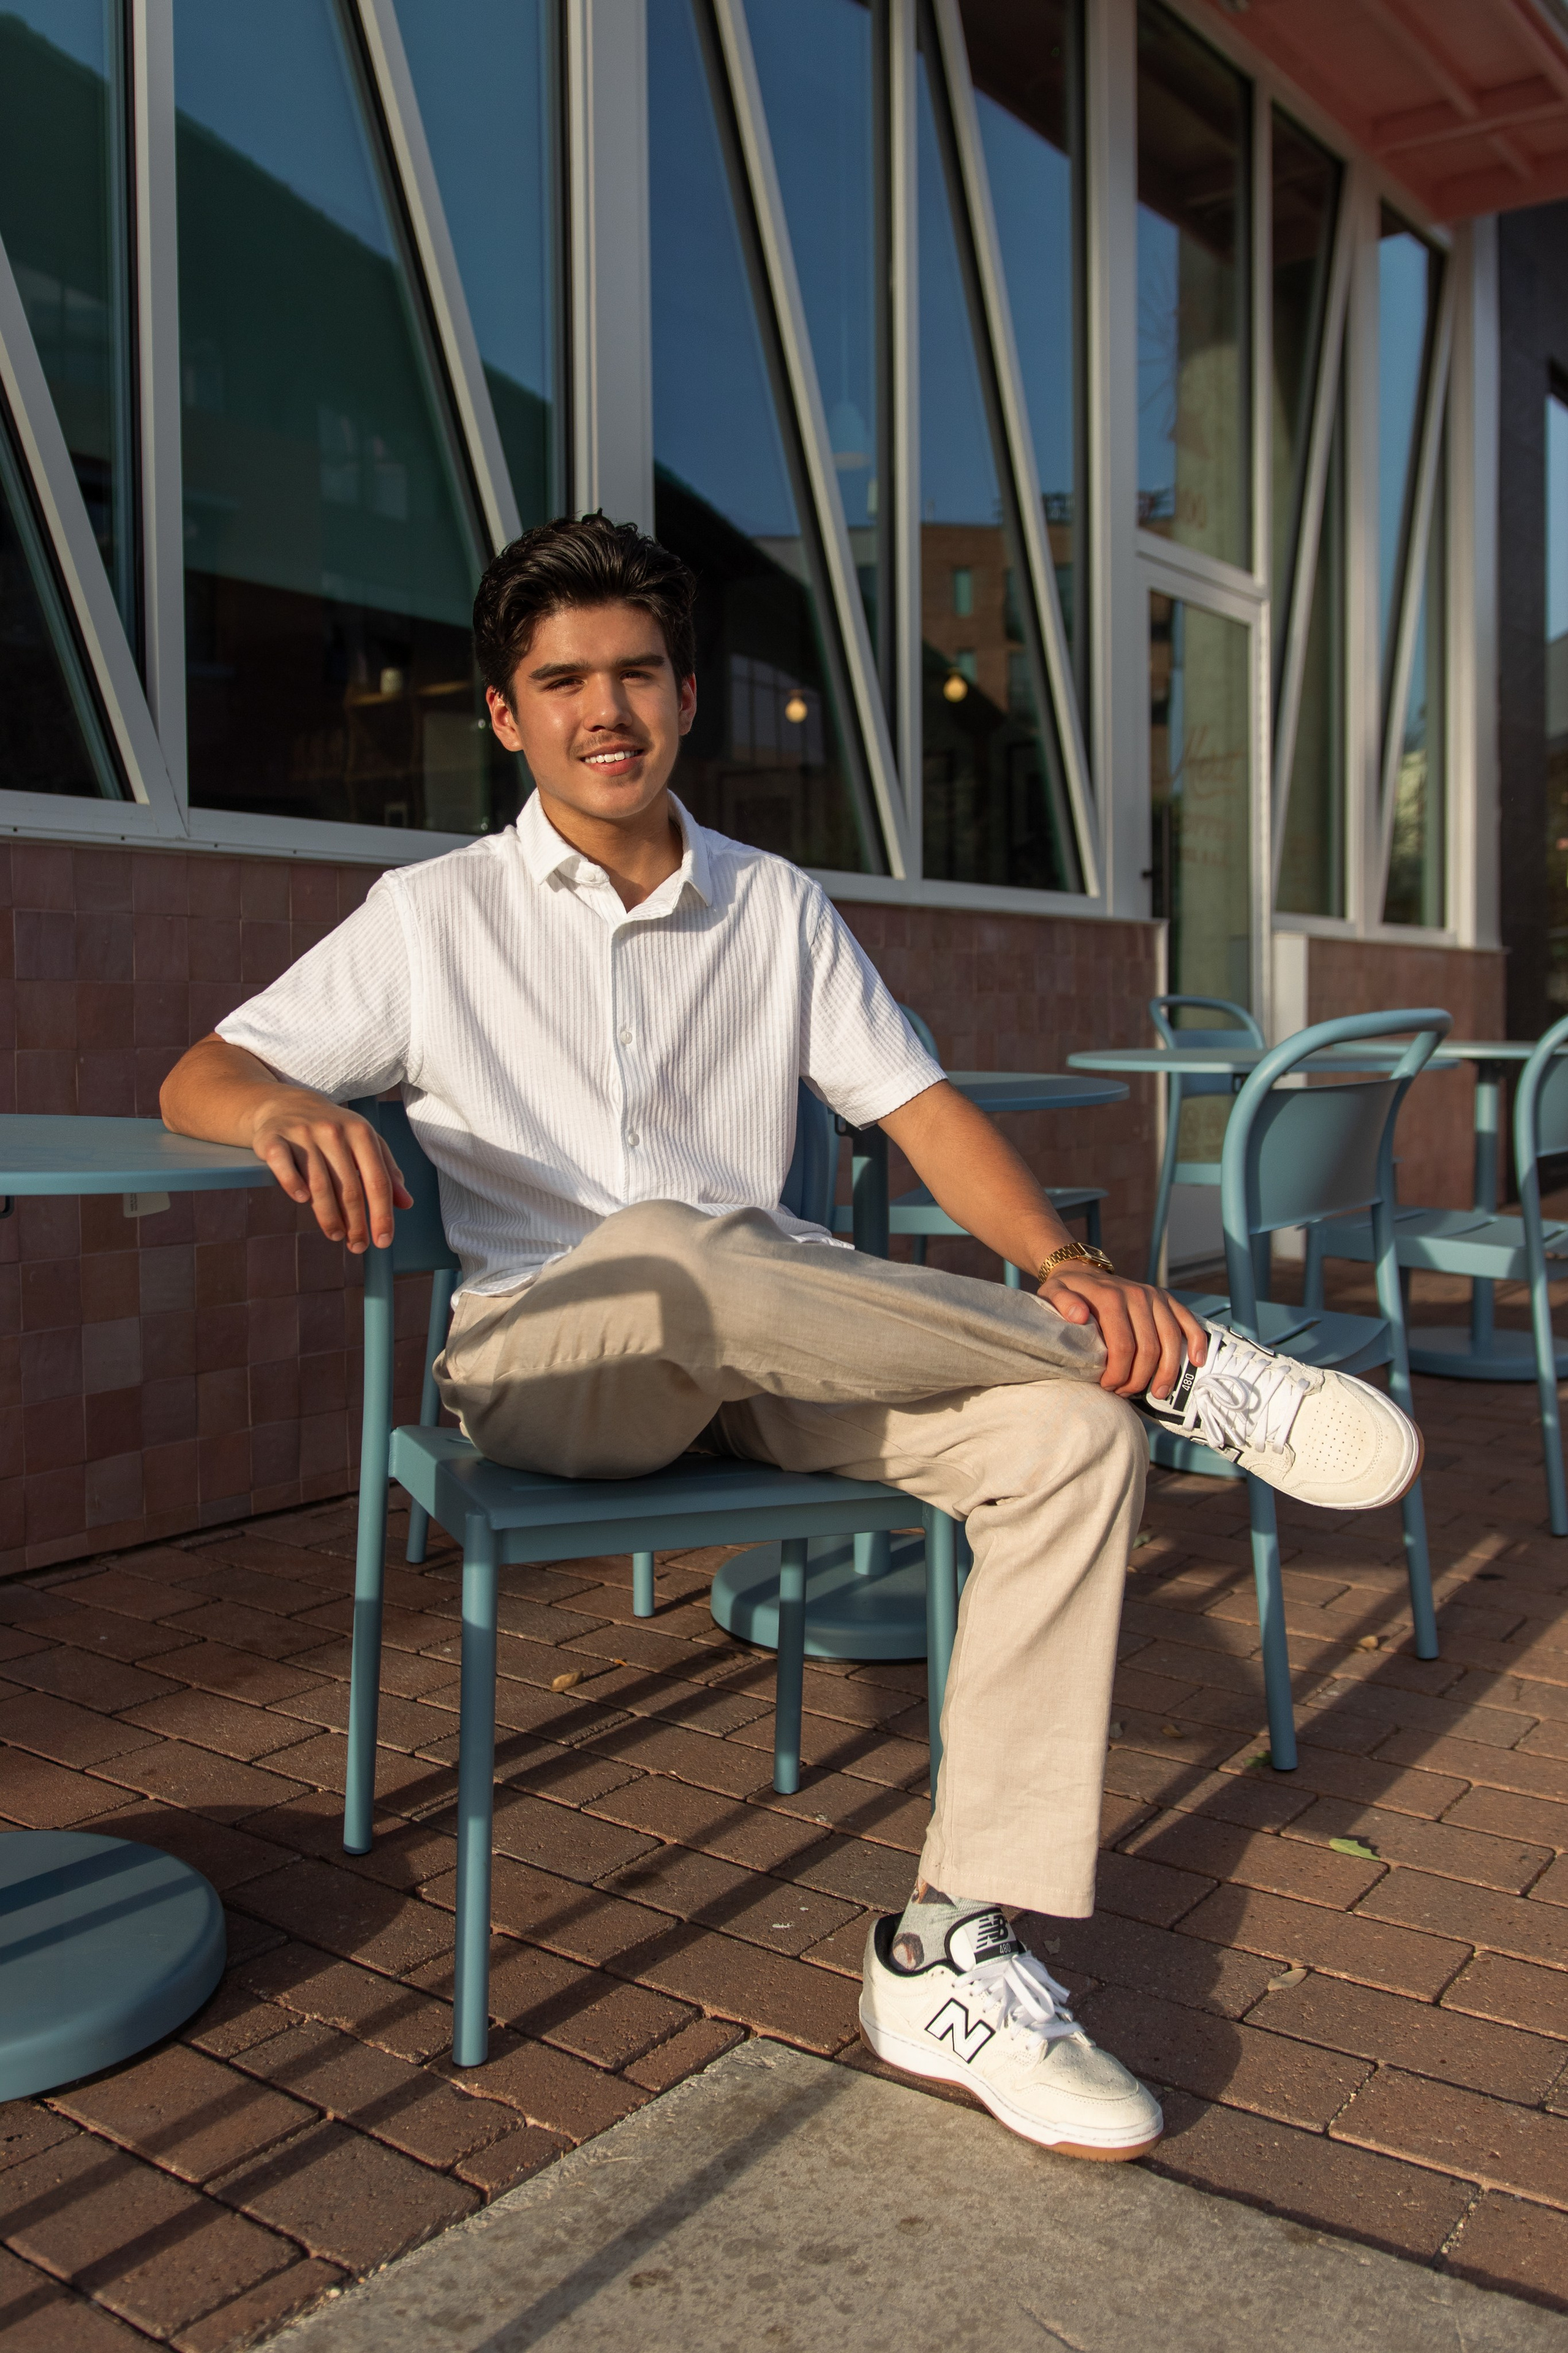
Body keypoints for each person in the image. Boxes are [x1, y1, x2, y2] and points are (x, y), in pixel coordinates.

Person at [161, 513, 1422, 2163]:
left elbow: (918, 1108)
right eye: (562, 682)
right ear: (503, 715)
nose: (603, 708)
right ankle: (1190, 1361)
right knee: (688, 1243)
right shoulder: (430, 916)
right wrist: (274, 1107)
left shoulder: (776, 906)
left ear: (685, 695)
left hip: (773, 1356)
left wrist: (1058, 1255)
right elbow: (200, 1071)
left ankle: (951, 1948)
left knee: (1071, 1439)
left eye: (634, 673)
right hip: (555, 1359)